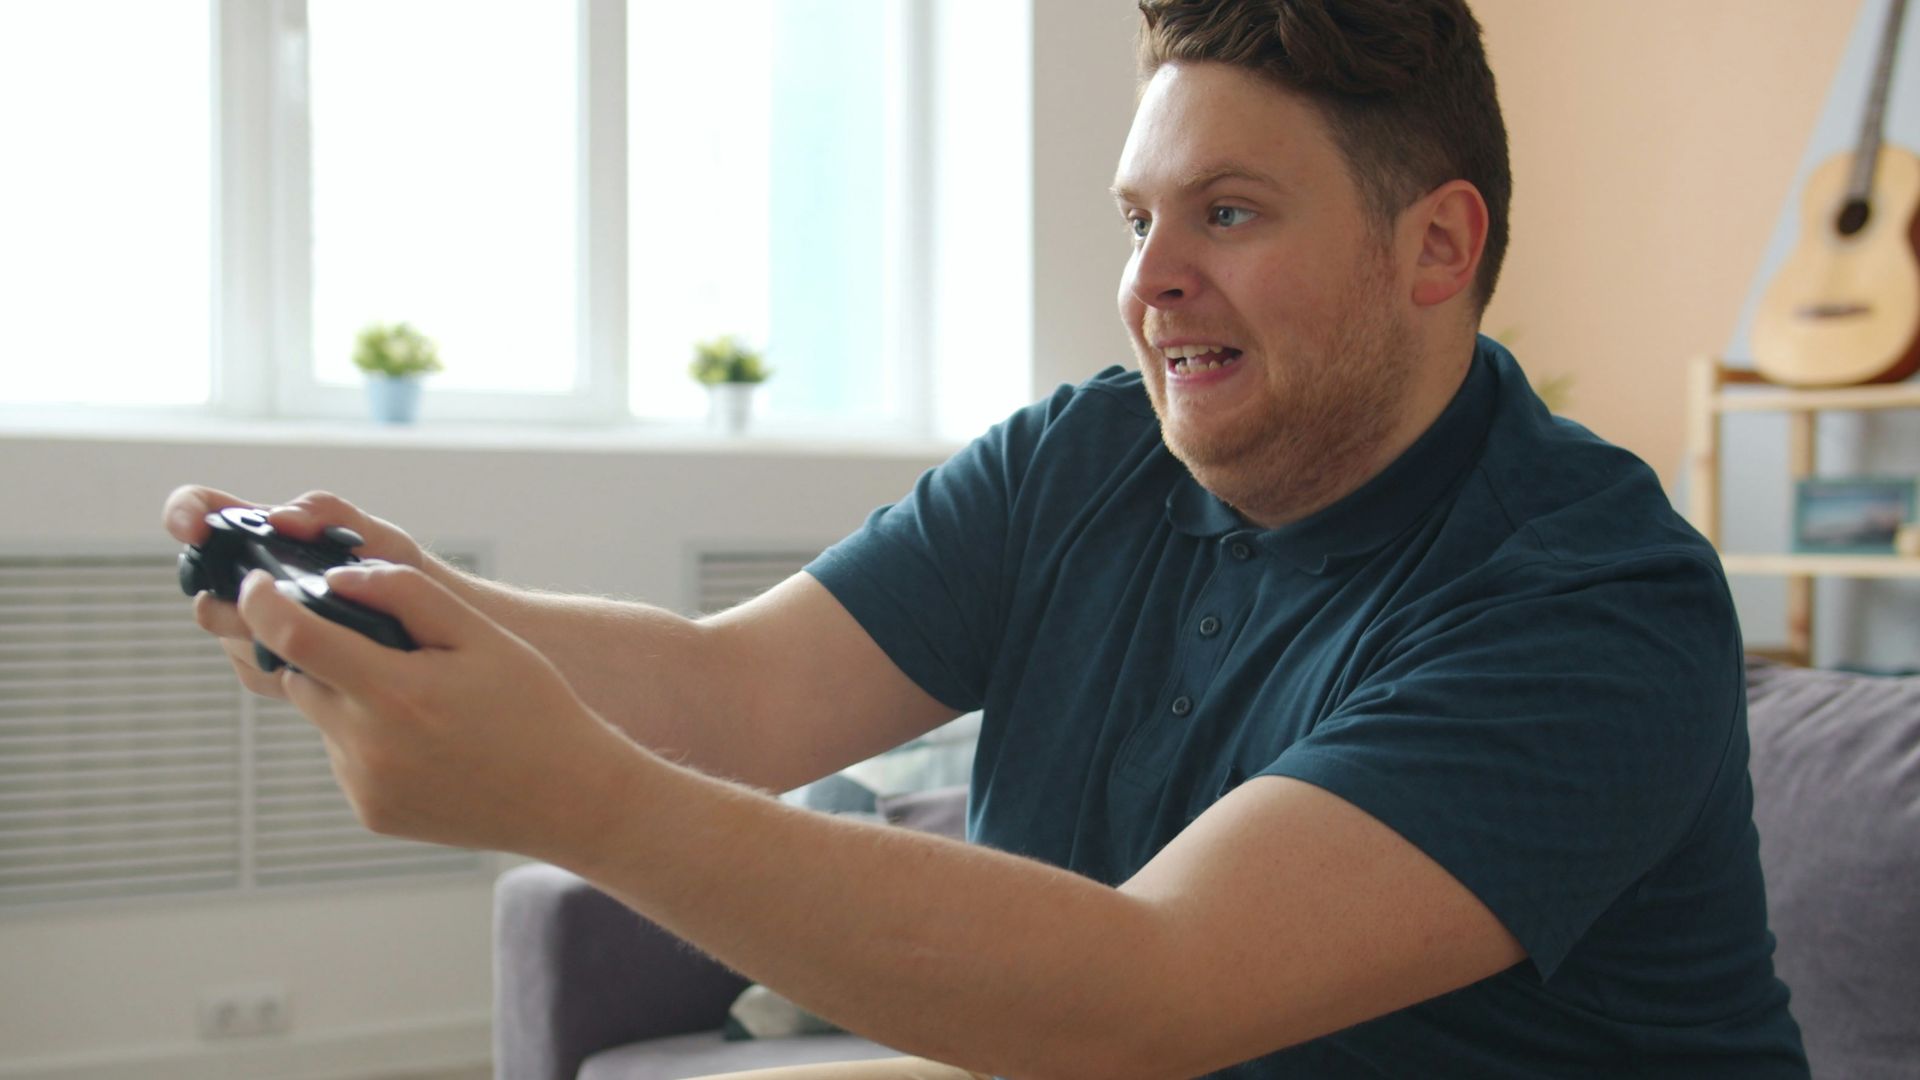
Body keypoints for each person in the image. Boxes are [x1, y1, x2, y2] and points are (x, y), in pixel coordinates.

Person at [164, 1, 1810, 1076]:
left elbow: (1149, 992)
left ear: (1436, 245)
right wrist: (403, 597)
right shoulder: (1084, 455)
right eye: (1137, 218)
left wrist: (568, 795)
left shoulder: (1589, 597)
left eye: (1227, 211)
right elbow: (736, 696)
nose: (1152, 278)